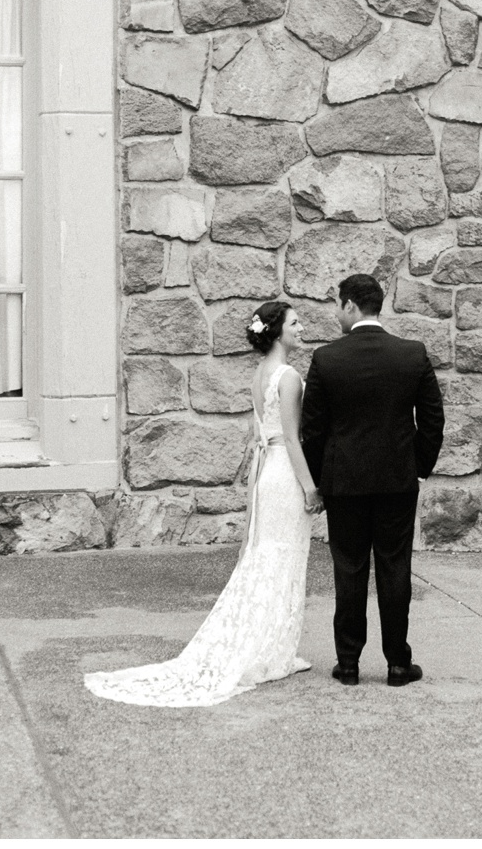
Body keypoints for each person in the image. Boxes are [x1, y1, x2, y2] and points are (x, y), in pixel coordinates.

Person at [86, 301, 321, 706]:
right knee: (282, 558)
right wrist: (311, 487)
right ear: (278, 332)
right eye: (295, 323)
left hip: (267, 473)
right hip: (283, 473)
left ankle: (273, 651)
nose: (302, 328)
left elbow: (261, 435)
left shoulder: (259, 374)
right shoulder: (289, 376)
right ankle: (270, 654)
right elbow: (291, 436)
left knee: (268, 557)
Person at [299, 273, 443, 688]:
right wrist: (417, 464)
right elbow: (433, 418)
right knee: (395, 568)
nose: (336, 314)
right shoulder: (411, 354)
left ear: (349, 306)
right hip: (396, 481)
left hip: (344, 482)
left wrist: (319, 480)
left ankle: (348, 664)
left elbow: (314, 428)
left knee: (349, 569)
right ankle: (398, 664)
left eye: (337, 306)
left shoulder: (327, 359)